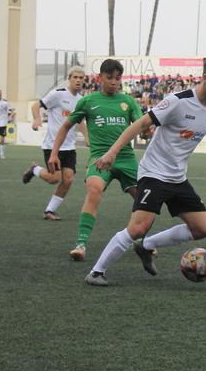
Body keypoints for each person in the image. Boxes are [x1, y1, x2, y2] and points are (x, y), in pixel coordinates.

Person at [83, 57, 206, 286]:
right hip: (154, 173)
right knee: (138, 227)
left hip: (178, 177)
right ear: (205, 78)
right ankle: (96, 272)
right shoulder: (177, 101)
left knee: (202, 228)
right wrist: (112, 152)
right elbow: (140, 124)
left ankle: (146, 246)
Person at [48, 59, 144, 261]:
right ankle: (80, 245)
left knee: (144, 200)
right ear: (100, 78)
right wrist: (54, 153)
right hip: (100, 158)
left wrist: (149, 130)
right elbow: (66, 126)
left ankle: (144, 242)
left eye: (118, 78)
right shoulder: (88, 102)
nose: (114, 82)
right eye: (109, 78)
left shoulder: (129, 102)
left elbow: (142, 125)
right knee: (93, 190)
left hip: (126, 159)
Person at [22, 67, 88, 220]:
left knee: (69, 179)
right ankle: (35, 170)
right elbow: (35, 106)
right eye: (75, 77)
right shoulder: (57, 94)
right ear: (69, 78)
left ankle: (49, 211)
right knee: (54, 179)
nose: (78, 80)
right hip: (53, 145)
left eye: (81, 78)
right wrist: (37, 119)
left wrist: (87, 138)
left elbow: (80, 121)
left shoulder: (81, 100)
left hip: (69, 146)